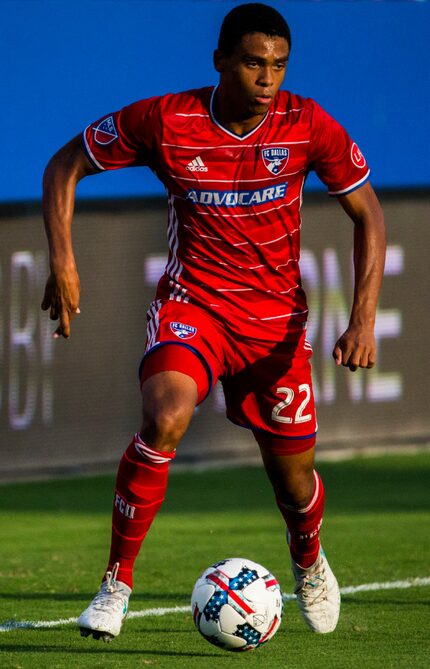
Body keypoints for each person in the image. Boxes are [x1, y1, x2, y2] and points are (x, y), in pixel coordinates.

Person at [41, 2, 385, 642]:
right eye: (255, 62)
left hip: (274, 325)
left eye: (279, 65)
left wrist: (362, 317)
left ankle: (308, 560)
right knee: (164, 416)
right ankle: (115, 586)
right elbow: (65, 165)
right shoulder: (165, 120)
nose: (268, 78)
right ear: (221, 60)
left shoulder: (307, 124)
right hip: (191, 308)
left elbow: (368, 212)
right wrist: (64, 261)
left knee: (293, 479)